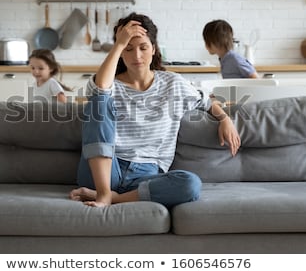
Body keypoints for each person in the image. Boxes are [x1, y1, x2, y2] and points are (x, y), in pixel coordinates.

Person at [69, 13, 241, 208]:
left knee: (190, 184)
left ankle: (111, 198)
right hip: (105, 169)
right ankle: (103, 192)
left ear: (153, 49)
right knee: (99, 100)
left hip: (146, 176)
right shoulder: (109, 84)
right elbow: (100, 88)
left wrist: (225, 119)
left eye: (143, 47)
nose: (137, 56)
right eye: (128, 48)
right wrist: (118, 43)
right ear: (121, 52)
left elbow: (207, 101)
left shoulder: (173, 83)